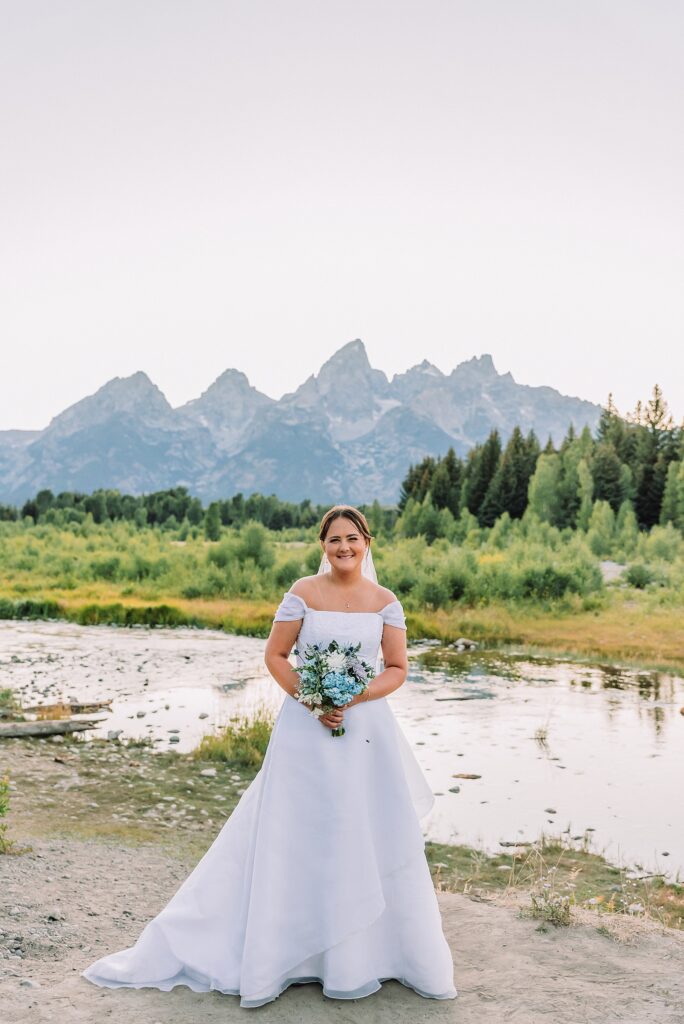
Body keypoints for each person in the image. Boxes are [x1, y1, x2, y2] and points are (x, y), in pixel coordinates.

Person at [81, 504, 457, 1008]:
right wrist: (314, 699)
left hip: (366, 733)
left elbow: (396, 668)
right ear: (322, 546)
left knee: (362, 827)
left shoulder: (386, 602)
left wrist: (354, 697)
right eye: (333, 540)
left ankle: (362, 956)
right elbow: (275, 656)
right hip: (304, 730)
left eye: (352, 538)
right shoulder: (302, 594)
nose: (343, 547)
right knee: (297, 829)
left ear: (367, 541)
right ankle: (291, 953)